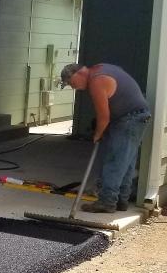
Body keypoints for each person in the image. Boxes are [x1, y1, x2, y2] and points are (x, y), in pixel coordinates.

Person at [60, 62, 151, 213]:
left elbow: (104, 117)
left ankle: (107, 202)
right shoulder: (100, 69)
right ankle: (121, 200)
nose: (72, 87)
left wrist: (97, 134)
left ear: (80, 73)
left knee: (114, 161)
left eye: (71, 82)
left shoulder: (97, 81)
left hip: (129, 119)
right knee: (126, 162)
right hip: (137, 116)